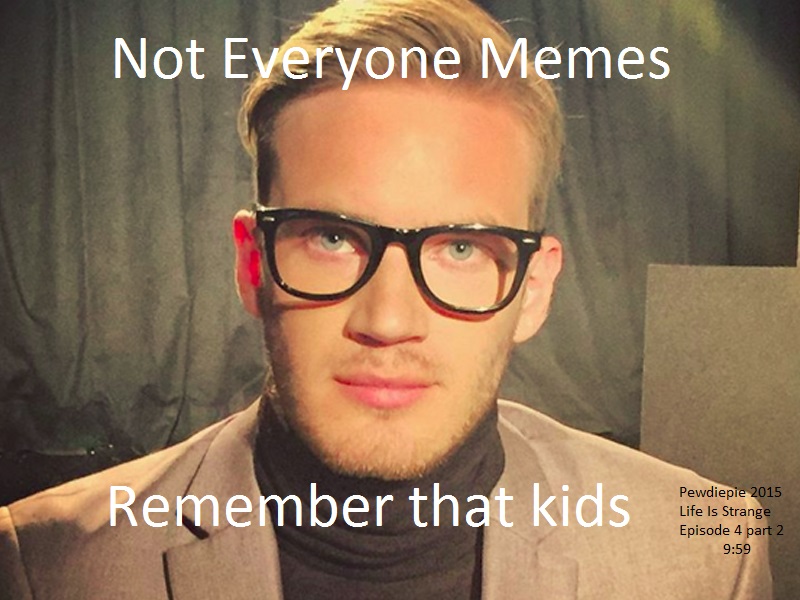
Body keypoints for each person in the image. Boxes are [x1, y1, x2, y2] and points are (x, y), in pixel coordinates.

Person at [0, 1, 772, 598]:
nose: (389, 321)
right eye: (332, 238)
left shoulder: (709, 556)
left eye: (461, 247)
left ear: (534, 290)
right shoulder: (47, 564)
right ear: (252, 263)